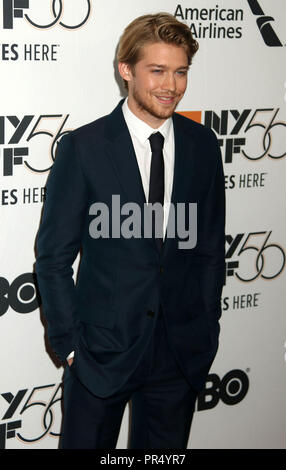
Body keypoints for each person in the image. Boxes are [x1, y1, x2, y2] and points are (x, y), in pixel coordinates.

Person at [35, 12, 225, 449]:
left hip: (178, 355)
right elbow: (53, 258)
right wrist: (69, 348)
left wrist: (207, 328)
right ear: (126, 70)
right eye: (157, 71)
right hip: (100, 354)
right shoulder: (84, 148)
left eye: (180, 72)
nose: (171, 86)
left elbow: (211, 249)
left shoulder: (202, 145)